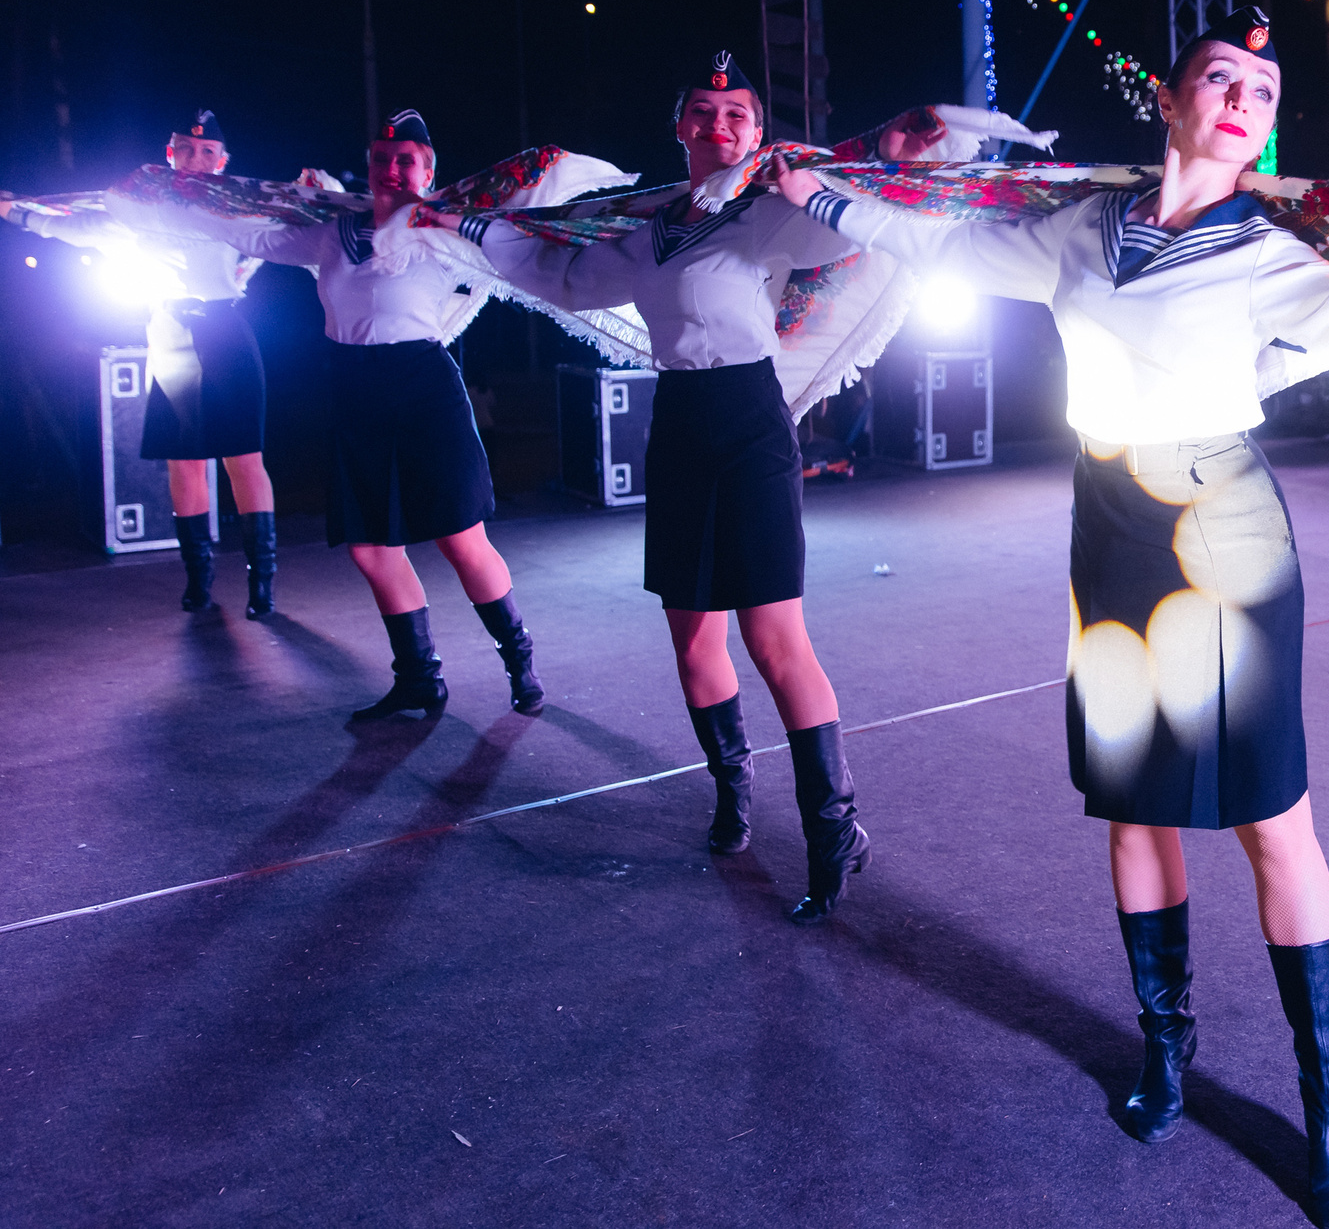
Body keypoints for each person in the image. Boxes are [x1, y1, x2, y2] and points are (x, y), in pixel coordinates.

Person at [772, 8, 1329, 1227]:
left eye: (1263, 84)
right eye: (1219, 74)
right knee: (1133, 803)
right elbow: (936, 248)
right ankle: (1167, 1049)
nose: (1242, 91)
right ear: (1172, 102)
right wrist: (820, 195)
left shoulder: (1271, 256)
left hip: (1220, 536)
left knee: (1268, 817)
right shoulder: (1080, 232)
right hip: (1109, 530)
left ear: (1266, 126)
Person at [437, 54, 943, 923]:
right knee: (692, 636)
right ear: (679, 128)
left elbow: (840, 228)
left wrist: (892, 161)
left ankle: (834, 829)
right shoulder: (644, 230)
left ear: (755, 132)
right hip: (680, 424)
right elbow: (557, 274)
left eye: (737, 115)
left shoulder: (767, 214)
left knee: (774, 639)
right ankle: (732, 792)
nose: (719, 126)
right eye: (703, 113)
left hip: (750, 419)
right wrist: (461, 227)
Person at [212, 111, 543, 721]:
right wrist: (188, 207)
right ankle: (420, 678)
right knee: (370, 549)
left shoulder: (445, 234)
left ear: (429, 169)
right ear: (368, 168)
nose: (392, 169)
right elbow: (256, 236)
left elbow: (525, 251)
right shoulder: (332, 231)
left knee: (461, 539)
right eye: (381, 160)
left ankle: (518, 661)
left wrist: (462, 218)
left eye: (406, 160)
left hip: (423, 388)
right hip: (354, 389)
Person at [0, 110, 283, 615]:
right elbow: (77, 228)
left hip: (225, 334)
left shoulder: (237, 207)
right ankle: (198, 578)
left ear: (222, 162)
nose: (196, 159)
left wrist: (317, 191)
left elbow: (292, 229)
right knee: (184, 461)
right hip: (170, 336)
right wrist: (14, 212)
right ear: (170, 154)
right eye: (186, 149)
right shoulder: (139, 209)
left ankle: (261, 582)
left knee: (244, 460)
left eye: (207, 152)